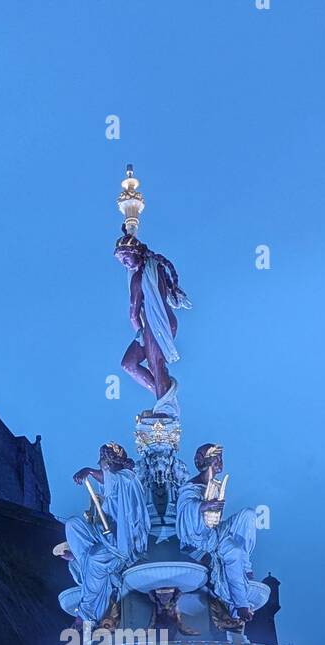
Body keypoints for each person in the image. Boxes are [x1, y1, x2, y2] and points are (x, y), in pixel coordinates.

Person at [64, 443, 150, 626]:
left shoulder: (128, 478)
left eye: (103, 462)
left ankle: (87, 617)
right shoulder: (113, 481)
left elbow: (113, 482)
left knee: (95, 559)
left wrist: (90, 471)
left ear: (110, 463)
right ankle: (81, 558)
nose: (101, 466)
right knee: (73, 525)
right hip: (107, 535)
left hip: (124, 543)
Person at [176, 443, 257, 622]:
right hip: (198, 540)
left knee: (249, 515)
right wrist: (204, 505)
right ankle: (240, 604)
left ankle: (245, 564)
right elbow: (183, 514)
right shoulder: (191, 486)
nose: (221, 462)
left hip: (215, 533)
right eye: (216, 459)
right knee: (232, 551)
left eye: (221, 458)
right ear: (206, 462)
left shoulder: (215, 484)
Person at [115, 233, 190, 407]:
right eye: (122, 262)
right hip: (161, 320)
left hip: (154, 323)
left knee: (156, 364)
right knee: (130, 363)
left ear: (136, 253)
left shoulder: (141, 276)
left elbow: (133, 313)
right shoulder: (154, 268)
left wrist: (139, 333)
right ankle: (166, 398)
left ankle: (166, 407)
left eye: (126, 259)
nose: (125, 264)